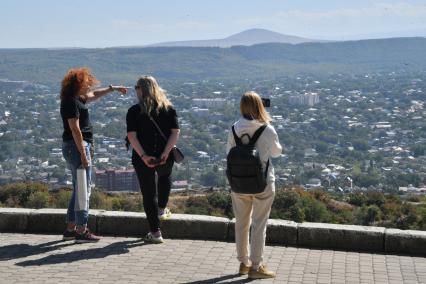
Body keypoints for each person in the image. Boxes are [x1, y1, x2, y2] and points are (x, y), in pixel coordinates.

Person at [60, 67, 127, 243]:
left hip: (75, 147)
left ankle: (70, 228)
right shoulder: (70, 102)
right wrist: (83, 153)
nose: (89, 86)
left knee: (78, 187)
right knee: (84, 188)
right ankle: (81, 231)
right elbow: (75, 129)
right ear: (79, 84)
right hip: (77, 147)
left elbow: (94, 95)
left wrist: (112, 88)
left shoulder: (76, 99)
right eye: (87, 83)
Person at [226, 91, 282, 279]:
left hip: (239, 183)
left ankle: (243, 263)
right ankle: (256, 267)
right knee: (259, 225)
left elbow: (229, 152)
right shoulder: (266, 129)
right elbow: (276, 153)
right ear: (259, 106)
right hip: (262, 183)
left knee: (241, 223)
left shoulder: (234, 128)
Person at [126, 75, 180, 244]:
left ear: (142, 90)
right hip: (165, 153)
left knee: (149, 193)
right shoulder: (169, 109)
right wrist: (165, 153)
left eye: (137, 88)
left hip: (143, 156)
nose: (136, 91)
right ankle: (161, 209)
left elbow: (131, 136)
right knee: (165, 177)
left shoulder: (134, 111)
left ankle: (155, 232)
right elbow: (175, 132)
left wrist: (143, 156)